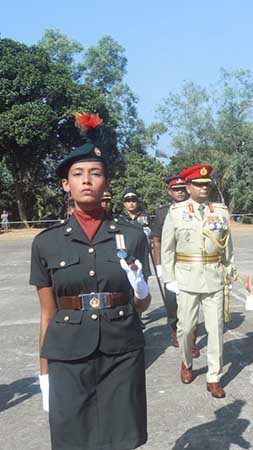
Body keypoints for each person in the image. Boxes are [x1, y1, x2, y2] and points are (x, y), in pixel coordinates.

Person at [30, 112, 151, 450]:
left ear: (105, 183)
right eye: (78, 174)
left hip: (121, 350)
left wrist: (140, 289)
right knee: (74, 441)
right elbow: (46, 314)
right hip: (67, 353)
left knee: (122, 439)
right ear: (65, 184)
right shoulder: (46, 242)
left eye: (95, 174)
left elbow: (143, 303)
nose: (87, 180)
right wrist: (43, 374)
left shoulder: (130, 236)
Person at [161, 164, 235, 399]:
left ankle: (213, 376)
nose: (204, 188)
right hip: (186, 278)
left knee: (215, 330)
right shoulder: (176, 212)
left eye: (206, 185)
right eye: (199, 185)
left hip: (214, 277)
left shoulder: (220, 211)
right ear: (188, 186)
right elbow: (167, 249)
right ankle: (187, 362)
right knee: (185, 329)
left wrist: (229, 272)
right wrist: (169, 279)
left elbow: (227, 248)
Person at [150, 175, 196, 351]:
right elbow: (157, 240)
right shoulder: (163, 212)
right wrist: (159, 265)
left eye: (183, 189)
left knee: (193, 299)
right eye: (176, 189)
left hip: (192, 262)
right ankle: (176, 329)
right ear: (169, 192)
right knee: (172, 301)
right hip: (172, 263)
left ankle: (192, 336)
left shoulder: (194, 208)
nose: (180, 192)